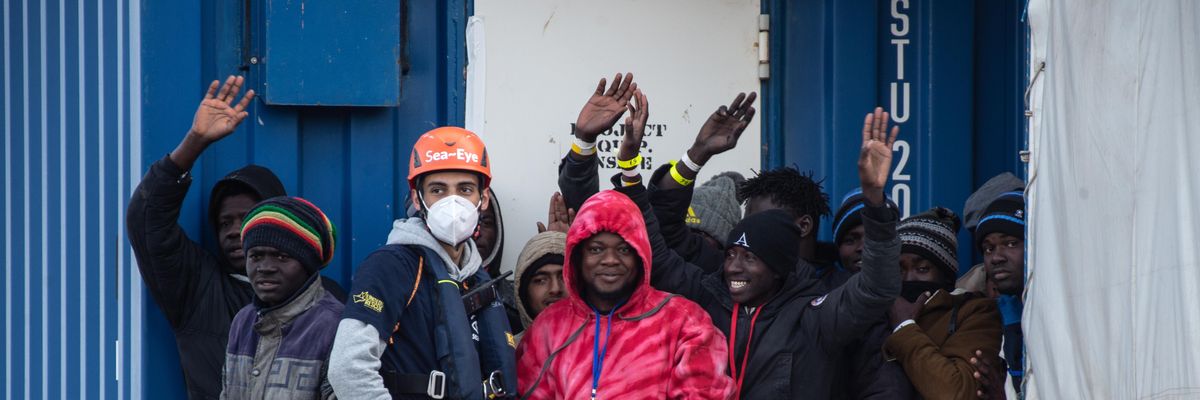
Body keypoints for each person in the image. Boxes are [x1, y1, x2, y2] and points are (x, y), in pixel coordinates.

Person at [613, 104, 902, 398]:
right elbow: (655, 250)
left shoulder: (816, 313)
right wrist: (630, 171)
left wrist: (874, 199)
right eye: (730, 254)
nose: (733, 267)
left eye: (750, 257)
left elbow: (877, 287)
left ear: (778, 264)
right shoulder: (710, 293)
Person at [126, 75, 342, 399]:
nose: (234, 230)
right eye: (224, 221)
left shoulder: (330, 304)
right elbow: (146, 221)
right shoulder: (198, 288)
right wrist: (194, 142)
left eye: (247, 218)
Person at [328, 127, 517, 399]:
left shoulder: (476, 278)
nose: (452, 203)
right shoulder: (391, 267)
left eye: (465, 189)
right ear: (418, 199)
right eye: (438, 190)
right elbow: (348, 368)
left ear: (483, 198)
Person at [515, 190, 734, 400]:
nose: (610, 260)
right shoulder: (549, 326)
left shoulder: (684, 321)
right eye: (596, 249)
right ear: (578, 256)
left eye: (624, 249)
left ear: (641, 255)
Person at [221, 197, 342, 399]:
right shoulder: (243, 321)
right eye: (255, 256)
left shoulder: (333, 326)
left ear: (308, 264)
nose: (265, 268)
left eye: (282, 257)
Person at [882, 207, 1004, 400]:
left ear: (946, 277)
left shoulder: (976, 313)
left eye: (922, 269)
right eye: (898, 270)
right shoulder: (878, 312)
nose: (908, 279)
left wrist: (904, 328)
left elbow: (957, 393)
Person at [975, 191, 1027, 398]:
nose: (996, 257)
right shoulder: (1002, 313)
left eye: (1011, 243)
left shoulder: (1065, 312)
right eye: (988, 248)